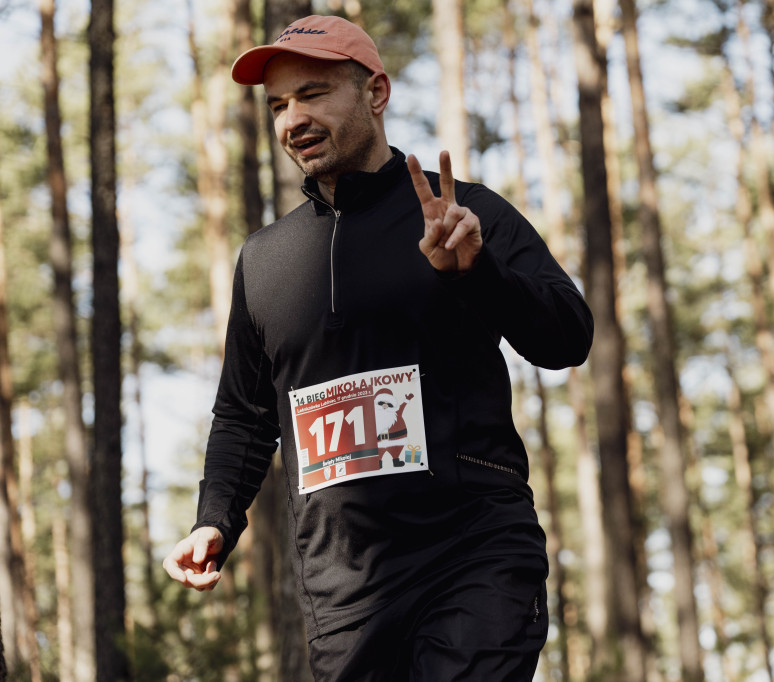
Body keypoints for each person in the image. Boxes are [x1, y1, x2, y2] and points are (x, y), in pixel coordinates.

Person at [162, 14, 593, 681]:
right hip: (342, 598)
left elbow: (568, 337)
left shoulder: (463, 217)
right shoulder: (265, 261)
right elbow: (244, 416)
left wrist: (481, 274)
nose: (291, 119)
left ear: (376, 93)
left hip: (473, 558)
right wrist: (214, 518)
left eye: (312, 93)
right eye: (278, 105)